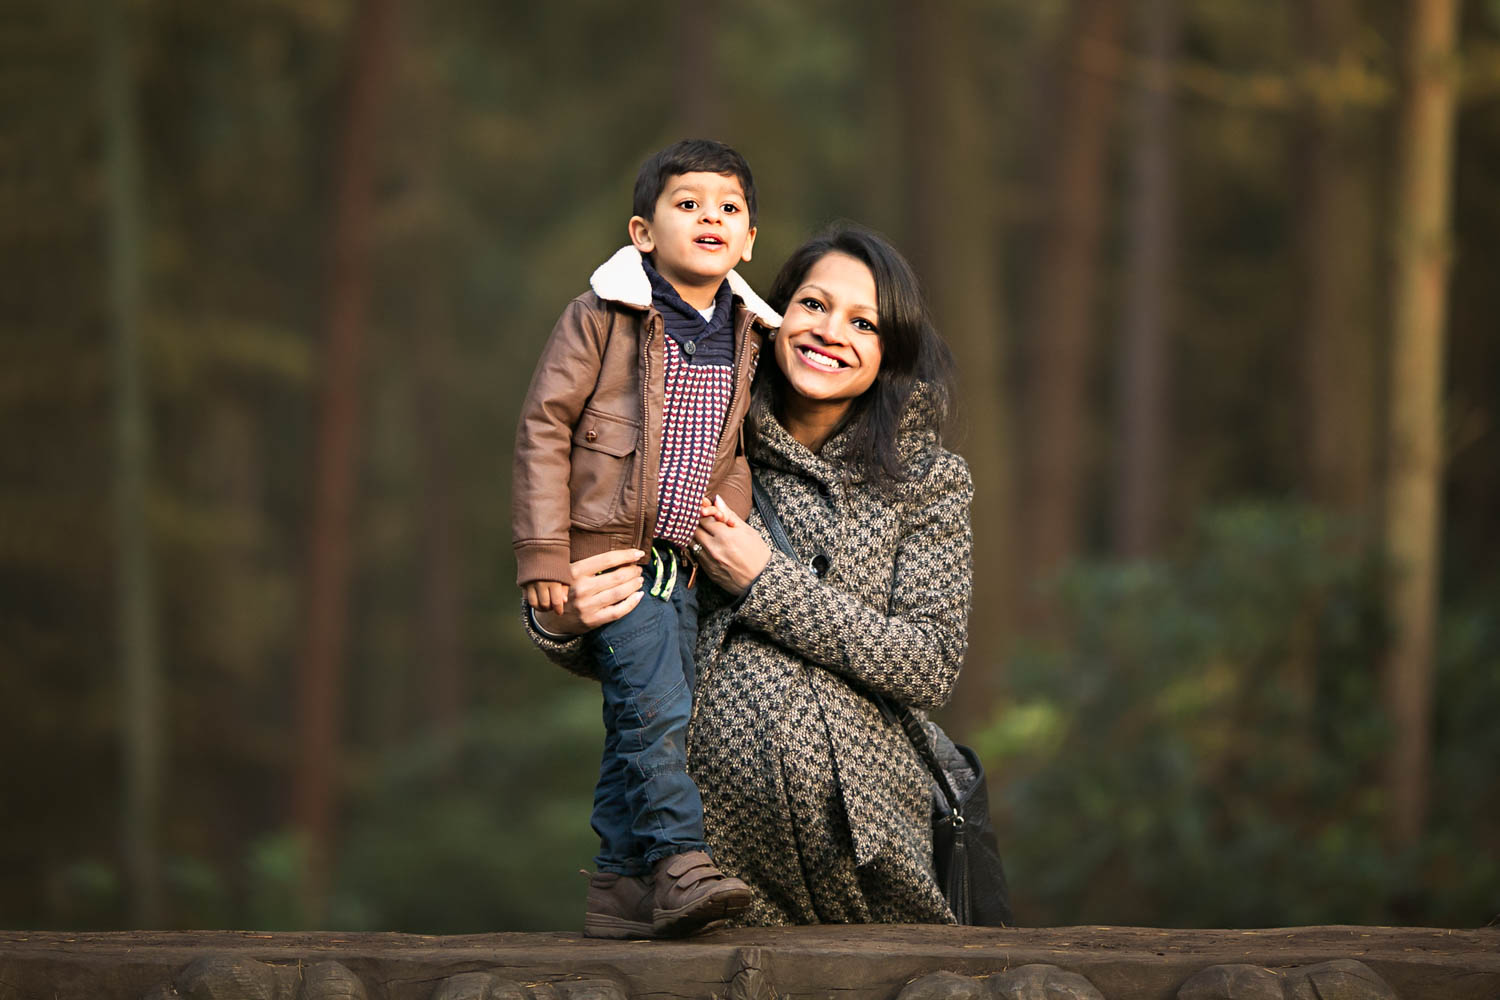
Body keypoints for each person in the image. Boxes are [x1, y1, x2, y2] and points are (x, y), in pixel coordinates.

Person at [529, 224, 972, 926]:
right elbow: (640, 650)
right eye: (814, 305)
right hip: (705, 880)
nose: (832, 332)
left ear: (891, 353)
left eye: (864, 323)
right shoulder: (695, 445)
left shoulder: (927, 481)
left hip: (873, 875)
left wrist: (768, 582)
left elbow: (931, 663)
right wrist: (560, 616)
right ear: (773, 313)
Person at [512, 139, 781, 938]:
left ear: (749, 241)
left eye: (728, 208)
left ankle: (618, 889)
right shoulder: (602, 316)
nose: (711, 218)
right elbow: (544, 426)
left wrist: (719, 518)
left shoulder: (748, 332)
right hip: (609, 557)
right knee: (658, 709)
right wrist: (543, 556)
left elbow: (733, 450)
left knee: (645, 710)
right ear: (642, 231)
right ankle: (678, 862)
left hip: (680, 564)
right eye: (688, 203)